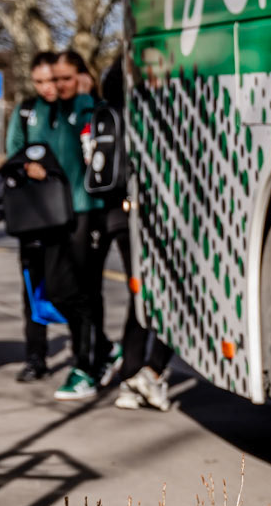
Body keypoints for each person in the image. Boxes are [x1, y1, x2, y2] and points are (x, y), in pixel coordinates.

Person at [98, 56, 175, 411]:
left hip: (120, 213)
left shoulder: (111, 110)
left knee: (140, 293)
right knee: (169, 292)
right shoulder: (152, 113)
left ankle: (134, 376)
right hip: (146, 214)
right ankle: (152, 371)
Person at [44, 48, 118, 403]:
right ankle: (104, 348)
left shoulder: (88, 109)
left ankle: (86, 366)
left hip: (88, 210)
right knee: (58, 289)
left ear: (81, 77)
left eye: (65, 78)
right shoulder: (52, 111)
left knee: (87, 290)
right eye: (55, 79)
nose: (59, 85)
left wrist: (87, 95)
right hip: (57, 213)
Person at [4, 49, 62, 381]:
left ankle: (91, 351)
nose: (46, 88)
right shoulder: (26, 112)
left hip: (66, 214)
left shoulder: (74, 108)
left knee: (71, 287)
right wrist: (27, 166)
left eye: (51, 80)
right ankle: (36, 356)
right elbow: (13, 151)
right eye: (39, 82)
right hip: (34, 215)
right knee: (33, 287)